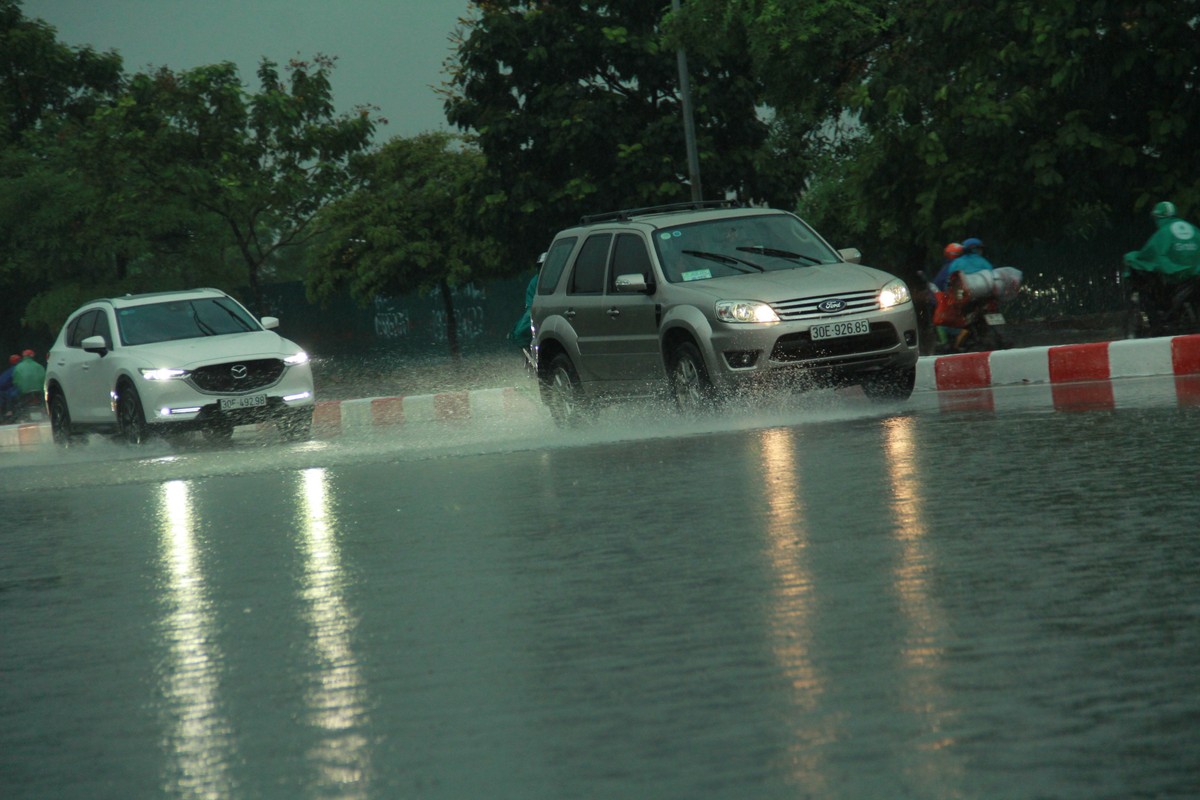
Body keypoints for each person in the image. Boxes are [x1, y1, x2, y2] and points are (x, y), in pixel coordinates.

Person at [1123, 201, 1200, 283]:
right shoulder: (1194, 229)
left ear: (1158, 217)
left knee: (1129, 258)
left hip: (1176, 273)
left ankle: (1135, 293)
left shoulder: (1164, 231)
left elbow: (1150, 254)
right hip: (1196, 271)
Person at [0, 354, 20, 421]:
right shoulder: (17, 369)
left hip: (12, 390)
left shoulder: (12, 370)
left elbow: (3, 383)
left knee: (9, 393)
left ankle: (9, 411)